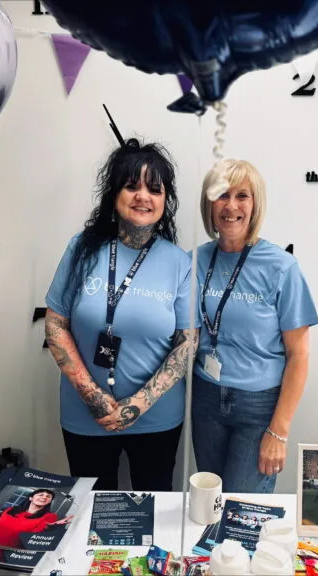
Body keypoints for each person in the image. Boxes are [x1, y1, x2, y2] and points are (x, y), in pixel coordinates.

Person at [45, 139, 198, 491]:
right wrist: (93, 396)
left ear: (165, 200)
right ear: (114, 195)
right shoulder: (82, 249)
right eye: (132, 186)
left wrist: (139, 404)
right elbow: (55, 324)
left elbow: (187, 342)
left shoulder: (180, 263)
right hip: (85, 416)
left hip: (157, 418)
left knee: (154, 515)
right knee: (91, 516)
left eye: (154, 189)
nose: (143, 196)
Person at [191, 159, 318, 494]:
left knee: (242, 512)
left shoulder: (281, 267)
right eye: (221, 195)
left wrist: (279, 431)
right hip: (205, 397)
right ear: (209, 203)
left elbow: (299, 355)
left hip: (258, 406)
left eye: (242, 196)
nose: (231, 206)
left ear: (255, 204)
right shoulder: (194, 260)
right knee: (211, 503)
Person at [0, 489, 69, 561]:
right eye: (41, 494)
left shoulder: (49, 516)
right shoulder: (10, 509)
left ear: (49, 501)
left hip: (5, 554)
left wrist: (49, 527)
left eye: (48, 496)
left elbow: (32, 537)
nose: (44, 497)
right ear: (31, 498)